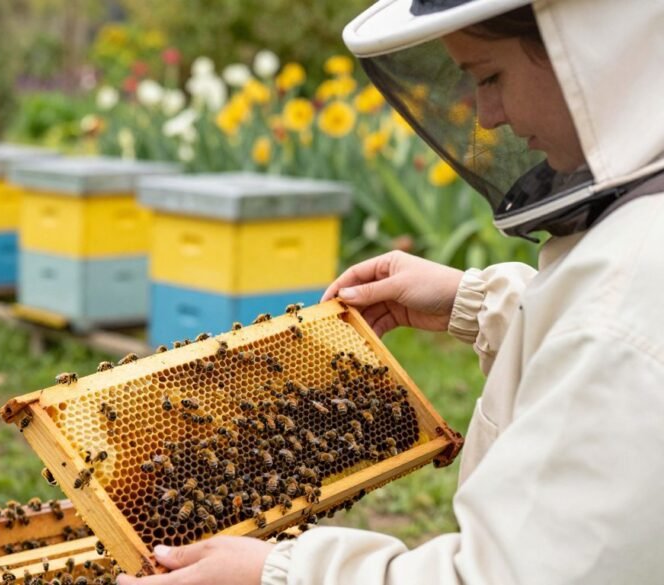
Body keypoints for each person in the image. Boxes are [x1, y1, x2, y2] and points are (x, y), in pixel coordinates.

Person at [118, 0, 664, 583]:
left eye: (490, 75)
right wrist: (478, 302)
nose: (486, 116)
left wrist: (279, 573)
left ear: (586, 54)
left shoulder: (621, 313)